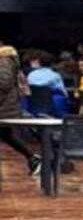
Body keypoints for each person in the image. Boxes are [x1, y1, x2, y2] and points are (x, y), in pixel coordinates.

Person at [0, 40, 40, 176]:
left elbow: (3, 84)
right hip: (6, 107)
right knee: (7, 136)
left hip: (3, 107)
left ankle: (33, 158)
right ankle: (33, 158)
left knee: (7, 135)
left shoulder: (3, 61)